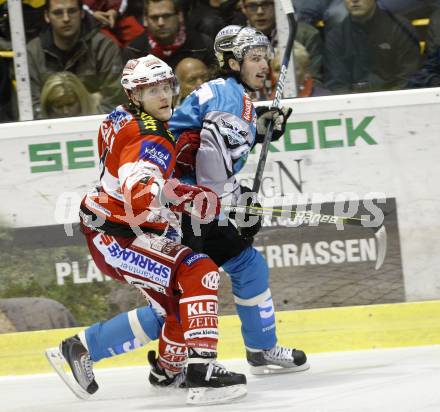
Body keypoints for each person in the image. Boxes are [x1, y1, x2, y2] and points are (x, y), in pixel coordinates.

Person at [46, 54, 247, 405]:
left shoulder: (121, 116)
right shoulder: (151, 136)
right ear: (135, 95)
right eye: (151, 90)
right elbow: (139, 190)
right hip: (121, 235)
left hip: (111, 225)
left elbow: (136, 170)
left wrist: (174, 180)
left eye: (166, 87)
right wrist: (183, 193)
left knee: (177, 303)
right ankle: (202, 372)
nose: (164, 96)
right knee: (199, 270)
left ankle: (162, 368)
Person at [163, 25, 309, 378]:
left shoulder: (229, 94)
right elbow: (211, 172)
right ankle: (95, 346)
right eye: (254, 58)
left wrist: (258, 131)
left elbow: (211, 151)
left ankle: (259, 349)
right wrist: (238, 203)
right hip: (186, 210)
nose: (264, 66)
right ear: (231, 62)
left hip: (193, 204)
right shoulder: (229, 100)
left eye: (266, 58)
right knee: (179, 294)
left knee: (245, 266)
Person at [26, 0, 124, 117]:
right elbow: (30, 108)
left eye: (72, 11)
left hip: (95, 129)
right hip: (49, 132)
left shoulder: (104, 48)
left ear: (82, 13)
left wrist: (81, 123)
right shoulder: (32, 53)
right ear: (47, 16)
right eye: (58, 13)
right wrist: (91, 101)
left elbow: (115, 102)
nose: (66, 18)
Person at [324, 0, 422, 93]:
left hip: (396, 100)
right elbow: (337, 85)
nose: (354, 0)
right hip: (353, 104)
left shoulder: (400, 28)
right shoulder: (335, 36)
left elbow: (408, 78)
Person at [239, 0, 324, 92]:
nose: (260, 11)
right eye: (252, 5)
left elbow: (315, 83)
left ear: (279, 5)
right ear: (243, 8)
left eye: (267, 4)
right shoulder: (235, 40)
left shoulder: (306, 36)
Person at [122, 0, 215, 69]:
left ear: (180, 16)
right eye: (154, 17)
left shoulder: (203, 45)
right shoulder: (134, 51)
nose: (161, 23)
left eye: (167, 16)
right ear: (145, 20)